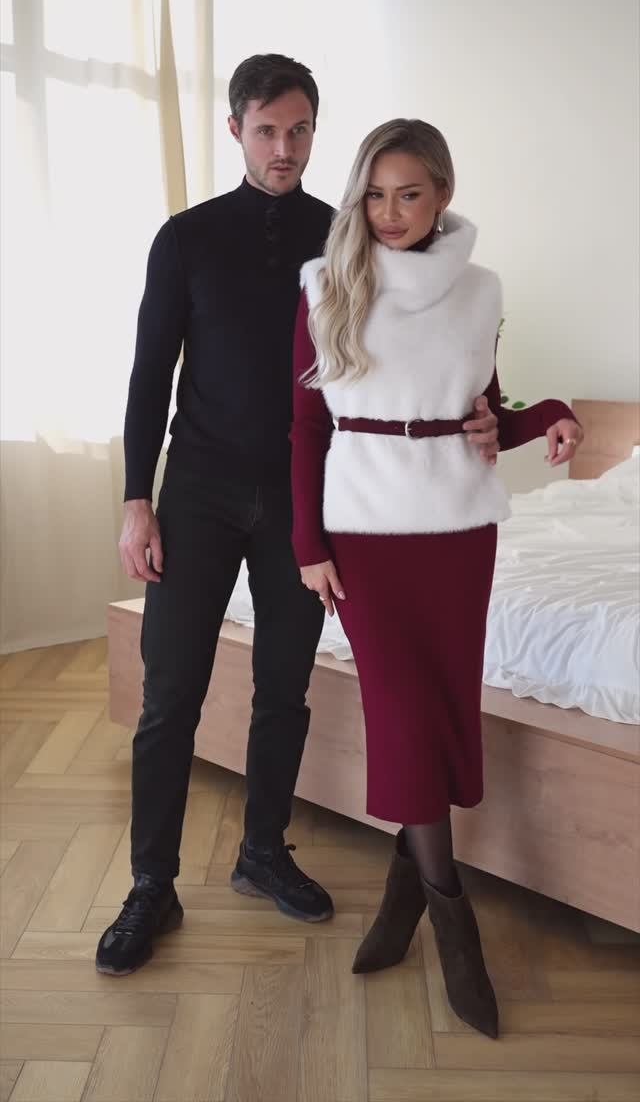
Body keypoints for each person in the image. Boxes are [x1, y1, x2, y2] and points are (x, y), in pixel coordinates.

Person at [96, 55, 499, 977]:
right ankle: (151, 884)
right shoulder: (187, 238)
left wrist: (491, 413)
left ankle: (262, 851)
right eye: (268, 130)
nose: (285, 147)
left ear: (317, 131)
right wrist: (136, 500)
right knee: (170, 696)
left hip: (305, 497)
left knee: (285, 687)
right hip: (198, 492)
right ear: (235, 130)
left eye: (301, 129)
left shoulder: (349, 238)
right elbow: (149, 375)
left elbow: (430, 353)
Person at [290, 118, 583, 1039]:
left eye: (408, 193)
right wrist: (308, 543)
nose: (388, 212)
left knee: (444, 712)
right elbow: (306, 427)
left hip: (458, 531)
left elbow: (485, 413)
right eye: (374, 194)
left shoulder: (480, 290)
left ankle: (402, 897)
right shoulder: (327, 282)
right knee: (405, 715)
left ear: (443, 194)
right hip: (365, 534)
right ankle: (455, 921)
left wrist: (551, 413)